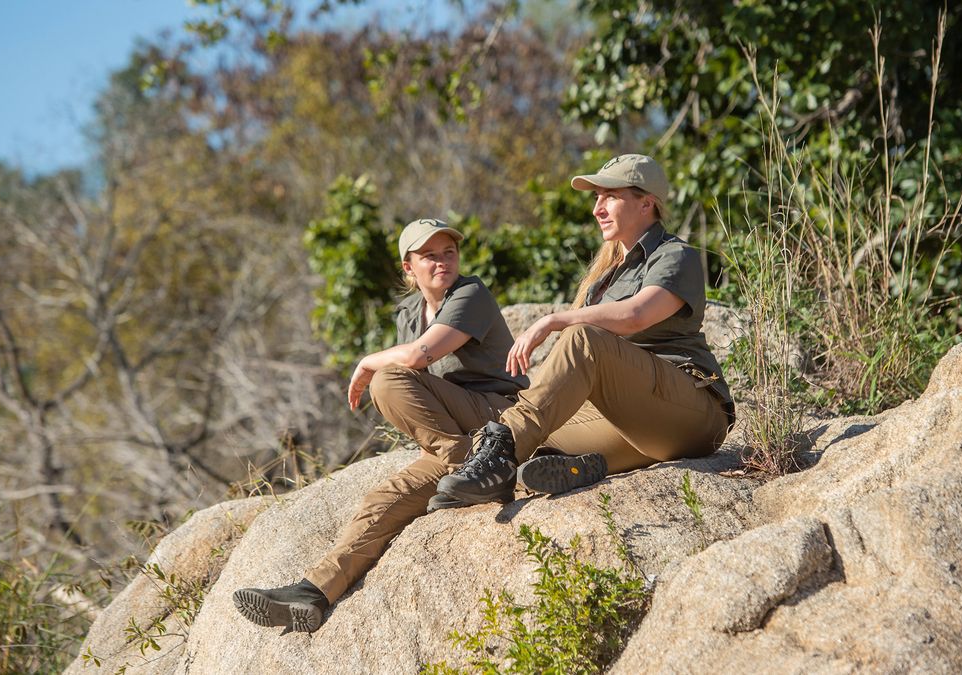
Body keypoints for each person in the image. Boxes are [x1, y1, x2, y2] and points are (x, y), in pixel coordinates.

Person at [232, 218, 527, 632]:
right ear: (409, 267)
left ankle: (471, 467)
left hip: (499, 417)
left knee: (388, 378)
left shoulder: (470, 293)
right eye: (429, 256)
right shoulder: (409, 312)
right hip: (460, 439)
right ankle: (314, 592)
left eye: (449, 253)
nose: (442, 262)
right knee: (385, 498)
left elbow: (418, 358)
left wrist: (367, 362)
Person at [435, 153, 734, 505]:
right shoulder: (604, 278)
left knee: (582, 338)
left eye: (610, 196)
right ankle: (540, 470)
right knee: (535, 441)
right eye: (596, 198)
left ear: (646, 203)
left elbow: (636, 314)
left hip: (691, 413)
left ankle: (501, 453)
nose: (598, 209)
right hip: (639, 425)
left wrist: (555, 319)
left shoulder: (673, 255)